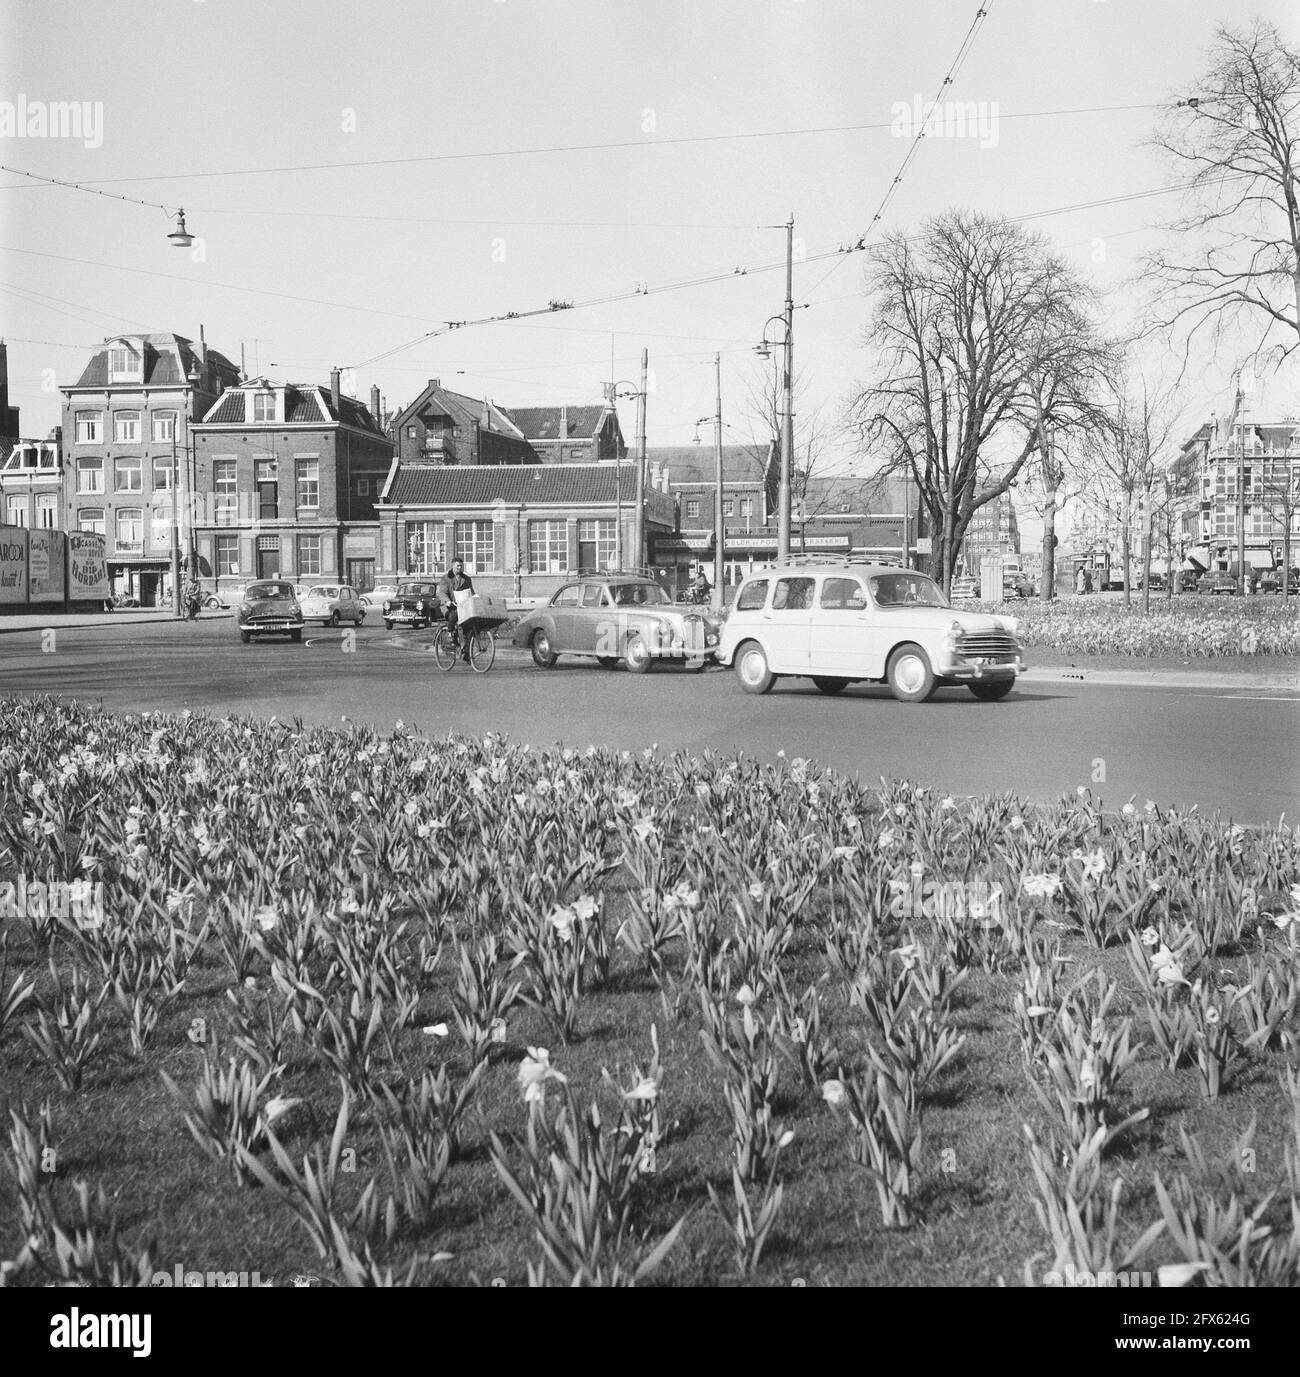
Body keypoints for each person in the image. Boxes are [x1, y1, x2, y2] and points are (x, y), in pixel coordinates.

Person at [437, 558, 475, 661]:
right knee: (453, 614)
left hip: (462, 606)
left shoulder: (466, 579)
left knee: (471, 626)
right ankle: (450, 633)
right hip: (449, 606)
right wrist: (447, 601)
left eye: (461, 566)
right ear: (452, 565)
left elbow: (471, 592)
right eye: (458, 566)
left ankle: (467, 651)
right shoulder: (446, 578)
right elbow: (442, 593)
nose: (460, 568)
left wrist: (475, 599)